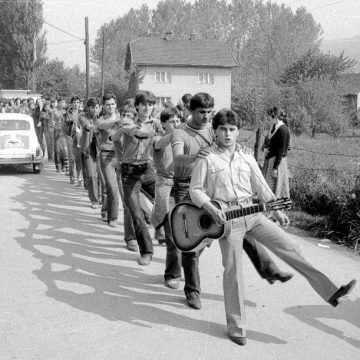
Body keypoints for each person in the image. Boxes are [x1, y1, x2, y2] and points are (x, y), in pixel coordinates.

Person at [189, 108, 356, 346]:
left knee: (291, 246)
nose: (227, 134)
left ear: (238, 132)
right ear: (215, 131)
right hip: (227, 221)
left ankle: (330, 292)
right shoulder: (206, 157)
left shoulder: (246, 156)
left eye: (232, 130)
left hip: (253, 215)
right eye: (223, 129)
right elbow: (195, 189)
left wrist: (276, 208)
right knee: (233, 272)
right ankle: (237, 328)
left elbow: (261, 186)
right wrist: (210, 207)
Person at [172, 93, 293, 310]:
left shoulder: (214, 128)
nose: (206, 117)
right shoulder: (181, 132)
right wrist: (197, 156)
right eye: (202, 113)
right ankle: (191, 289)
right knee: (191, 244)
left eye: (210, 112)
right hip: (188, 191)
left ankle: (268, 269)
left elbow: (229, 144)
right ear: (191, 112)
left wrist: (242, 150)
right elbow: (178, 160)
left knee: (242, 226)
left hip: (219, 193)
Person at [120, 90, 163, 265]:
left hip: (148, 169)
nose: (147, 108)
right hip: (129, 172)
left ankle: (161, 230)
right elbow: (138, 133)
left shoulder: (157, 122)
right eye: (144, 104)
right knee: (136, 214)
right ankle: (146, 251)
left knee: (163, 202)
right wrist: (158, 135)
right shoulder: (127, 120)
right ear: (137, 106)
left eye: (151, 104)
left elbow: (163, 138)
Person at [152, 107, 182, 289]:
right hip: (165, 185)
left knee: (192, 234)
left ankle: (186, 263)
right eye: (172, 121)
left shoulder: (183, 138)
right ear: (163, 124)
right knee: (173, 234)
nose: (176, 124)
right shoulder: (158, 139)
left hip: (185, 186)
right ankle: (172, 274)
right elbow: (160, 143)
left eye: (178, 121)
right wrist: (179, 133)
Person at [112, 103, 138, 252]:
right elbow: (113, 137)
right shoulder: (118, 130)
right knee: (128, 205)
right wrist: (123, 128)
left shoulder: (138, 130)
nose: (126, 118)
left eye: (130, 115)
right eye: (124, 115)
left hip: (141, 170)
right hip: (123, 171)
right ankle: (130, 238)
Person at [94, 93, 120, 227]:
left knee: (121, 189)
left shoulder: (122, 118)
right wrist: (116, 122)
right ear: (103, 106)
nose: (110, 106)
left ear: (116, 105)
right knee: (111, 187)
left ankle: (106, 209)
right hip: (106, 156)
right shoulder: (100, 120)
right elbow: (102, 126)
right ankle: (113, 217)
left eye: (113, 104)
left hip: (122, 156)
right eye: (108, 104)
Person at [79, 97, 102, 209]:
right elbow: (88, 126)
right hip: (88, 150)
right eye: (92, 107)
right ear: (88, 107)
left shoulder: (102, 117)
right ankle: (95, 200)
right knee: (92, 176)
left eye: (96, 107)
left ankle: (101, 196)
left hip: (100, 150)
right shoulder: (83, 117)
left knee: (101, 176)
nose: (94, 109)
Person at [262, 106, 290, 199]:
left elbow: (281, 150)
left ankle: (276, 210)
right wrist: (266, 148)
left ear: (275, 116)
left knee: (277, 189)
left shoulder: (283, 129)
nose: (268, 118)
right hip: (270, 160)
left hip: (278, 162)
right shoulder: (274, 127)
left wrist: (275, 168)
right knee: (269, 188)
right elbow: (270, 142)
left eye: (270, 116)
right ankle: (269, 210)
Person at [64, 96, 81, 184]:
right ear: (72, 103)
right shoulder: (68, 112)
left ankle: (79, 177)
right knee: (72, 158)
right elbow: (66, 121)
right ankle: (72, 176)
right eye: (74, 102)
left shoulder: (82, 112)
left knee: (79, 158)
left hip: (80, 136)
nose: (76, 104)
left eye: (77, 102)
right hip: (70, 136)